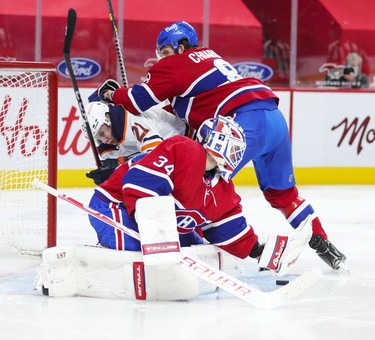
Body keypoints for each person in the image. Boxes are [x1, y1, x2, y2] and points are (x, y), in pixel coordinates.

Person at [96, 21, 346, 270]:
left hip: (244, 121)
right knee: (282, 195)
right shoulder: (208, 62)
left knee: (206, 186)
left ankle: (253, 249)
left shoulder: (176, 64)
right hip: (273, 119)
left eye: (165, 52)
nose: (162, 59)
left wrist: (110, 95)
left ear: (180, 47)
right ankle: (323, 243)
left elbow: (138, 100)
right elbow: (175, 119)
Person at [88, 116, 265, 262]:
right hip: (116, 206)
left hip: (163, 225)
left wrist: (256, 251)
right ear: (217, 141)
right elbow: (140, 184)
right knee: (139, 253)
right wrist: (154, 233)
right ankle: (109, 249)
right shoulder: (184, 149)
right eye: (233, 147)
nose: (237, 154)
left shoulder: (222, 186)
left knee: (195, 251)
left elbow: (225, 221)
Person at [81, 100, 192, 184]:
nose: (104, 141)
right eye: (98, 138)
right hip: (172, 159)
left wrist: (120, 164)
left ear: (108, 119)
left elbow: (157, 158)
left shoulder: (133, 121)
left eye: (102, 133)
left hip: (189, 144)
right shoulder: (108, 142)